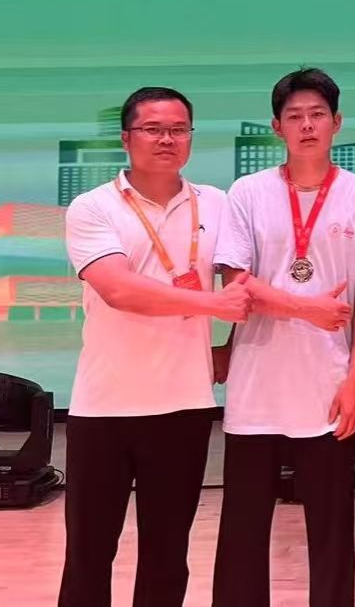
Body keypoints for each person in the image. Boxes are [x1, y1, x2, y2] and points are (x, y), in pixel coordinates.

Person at [59, 86, 250, 607]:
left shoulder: (217, 203)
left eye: (179, 129)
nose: (167, 139)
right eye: (153, 129)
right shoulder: (93, 207)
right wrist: (212, 305)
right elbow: (119, 290)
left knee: (168, 556)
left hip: (184, 406)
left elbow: (244, 284)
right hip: (104, 408)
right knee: (89, 555)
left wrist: (230, 344)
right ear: (126, 138)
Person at [210, 68, 355, 607]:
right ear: (276, 127)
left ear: (337, 123)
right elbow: (236, 283)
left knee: (332, 534)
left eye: (317, 115)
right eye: (295, 116)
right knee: (242, 532)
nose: (307, 125)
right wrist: (309, 308)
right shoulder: (248, 193)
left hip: (328, 389)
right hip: (256, 388)